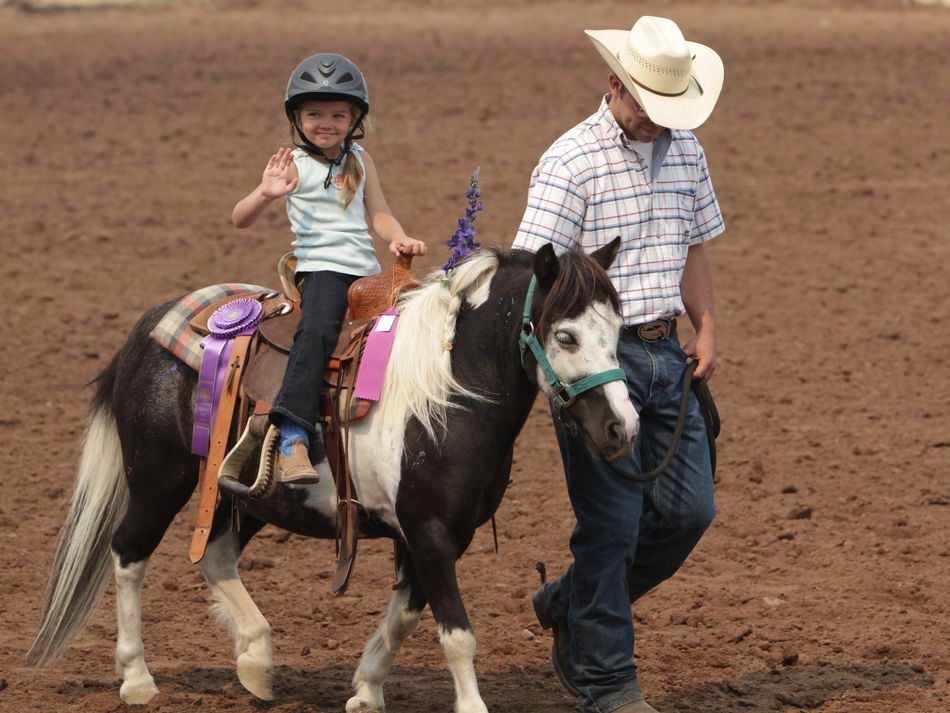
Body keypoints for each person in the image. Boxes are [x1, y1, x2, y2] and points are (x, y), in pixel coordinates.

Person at [512, 16, 725, 713]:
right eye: (647, 108)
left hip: (671, 353)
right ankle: (607, 685)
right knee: (611, 527)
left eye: (669, 111)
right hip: (601, 364)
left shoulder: (687, 152)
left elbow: (693, 245)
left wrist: (708, 326)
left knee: (690, 511)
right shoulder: (570, 162)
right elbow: (534, 275)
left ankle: (570, 602)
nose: (658, 123)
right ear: (614, 85)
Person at [231, 53, 426, 484]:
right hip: (320, 271)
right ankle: (292, 436)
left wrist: (397, 237)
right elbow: (239, 218)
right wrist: (265, 194)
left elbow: (380, 214)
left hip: (366, 272)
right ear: (296, 117)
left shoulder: (360, 159)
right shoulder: (292, 165)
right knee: (318, 329)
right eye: (314, 113)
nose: (326, 123)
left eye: (338, 115)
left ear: (355, 119)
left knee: (417, 324)